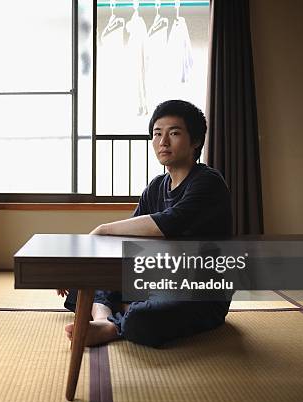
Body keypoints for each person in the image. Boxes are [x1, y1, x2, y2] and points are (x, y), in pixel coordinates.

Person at [59, 99, 233, 348]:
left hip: (199, 291)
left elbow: (169, 224)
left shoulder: (208, 182)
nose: (163, 142)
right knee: (83, 285)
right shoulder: (155, 187)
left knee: (145, 320)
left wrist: (103, 229)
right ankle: (104, 319)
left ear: (195, 141)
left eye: (174, 133)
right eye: (157, 133)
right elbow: (127, 242)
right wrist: (77, 269)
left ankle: (116, 320)